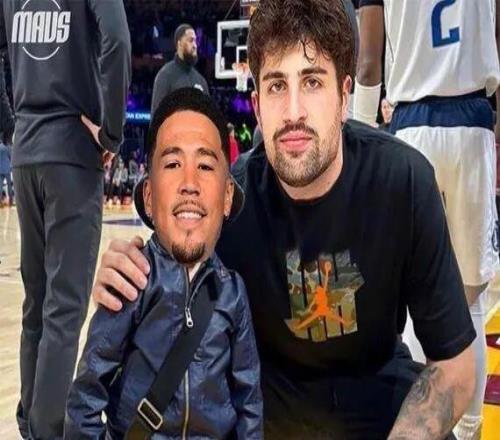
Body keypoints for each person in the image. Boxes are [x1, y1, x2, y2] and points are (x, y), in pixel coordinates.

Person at [92, 1, 476, 438]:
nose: (293, 111)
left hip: (382, 413)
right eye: (277, 85)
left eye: (312, 82)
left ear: (344, 96)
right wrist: (123, 277)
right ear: (257, 105)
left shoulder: (402, 181)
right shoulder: (226, 200)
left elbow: (454, 365)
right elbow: (157, 288)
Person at [65, 88, 262, 439]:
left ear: (228, 195)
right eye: (172, 164)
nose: (189, 184)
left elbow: (248, 401)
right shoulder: (132, 279)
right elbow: (85, 398)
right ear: (149, 195)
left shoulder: (233, 292)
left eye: (205, 166)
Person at [354, 1, 500, 438]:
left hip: (411, 126)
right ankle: (470, 430)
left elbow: (368, 65)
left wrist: (357, 138)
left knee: (416, 302)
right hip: (473, 122)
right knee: (470, 302)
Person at [0, 1, 131, 438]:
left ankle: (30, 423)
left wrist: (10, 126)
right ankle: (47, 430)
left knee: (36, 304)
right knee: (63, 310)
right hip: (73, 153)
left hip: (26, 154)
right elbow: (117, 40)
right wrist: (111, 132)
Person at [151, 24, 209, 113]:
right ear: (179, 44)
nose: (195, 45)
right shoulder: (165, 75)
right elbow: (156, 116)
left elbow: (208, 115)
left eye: (195, 41)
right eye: (191, 40)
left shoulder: (201, 80)